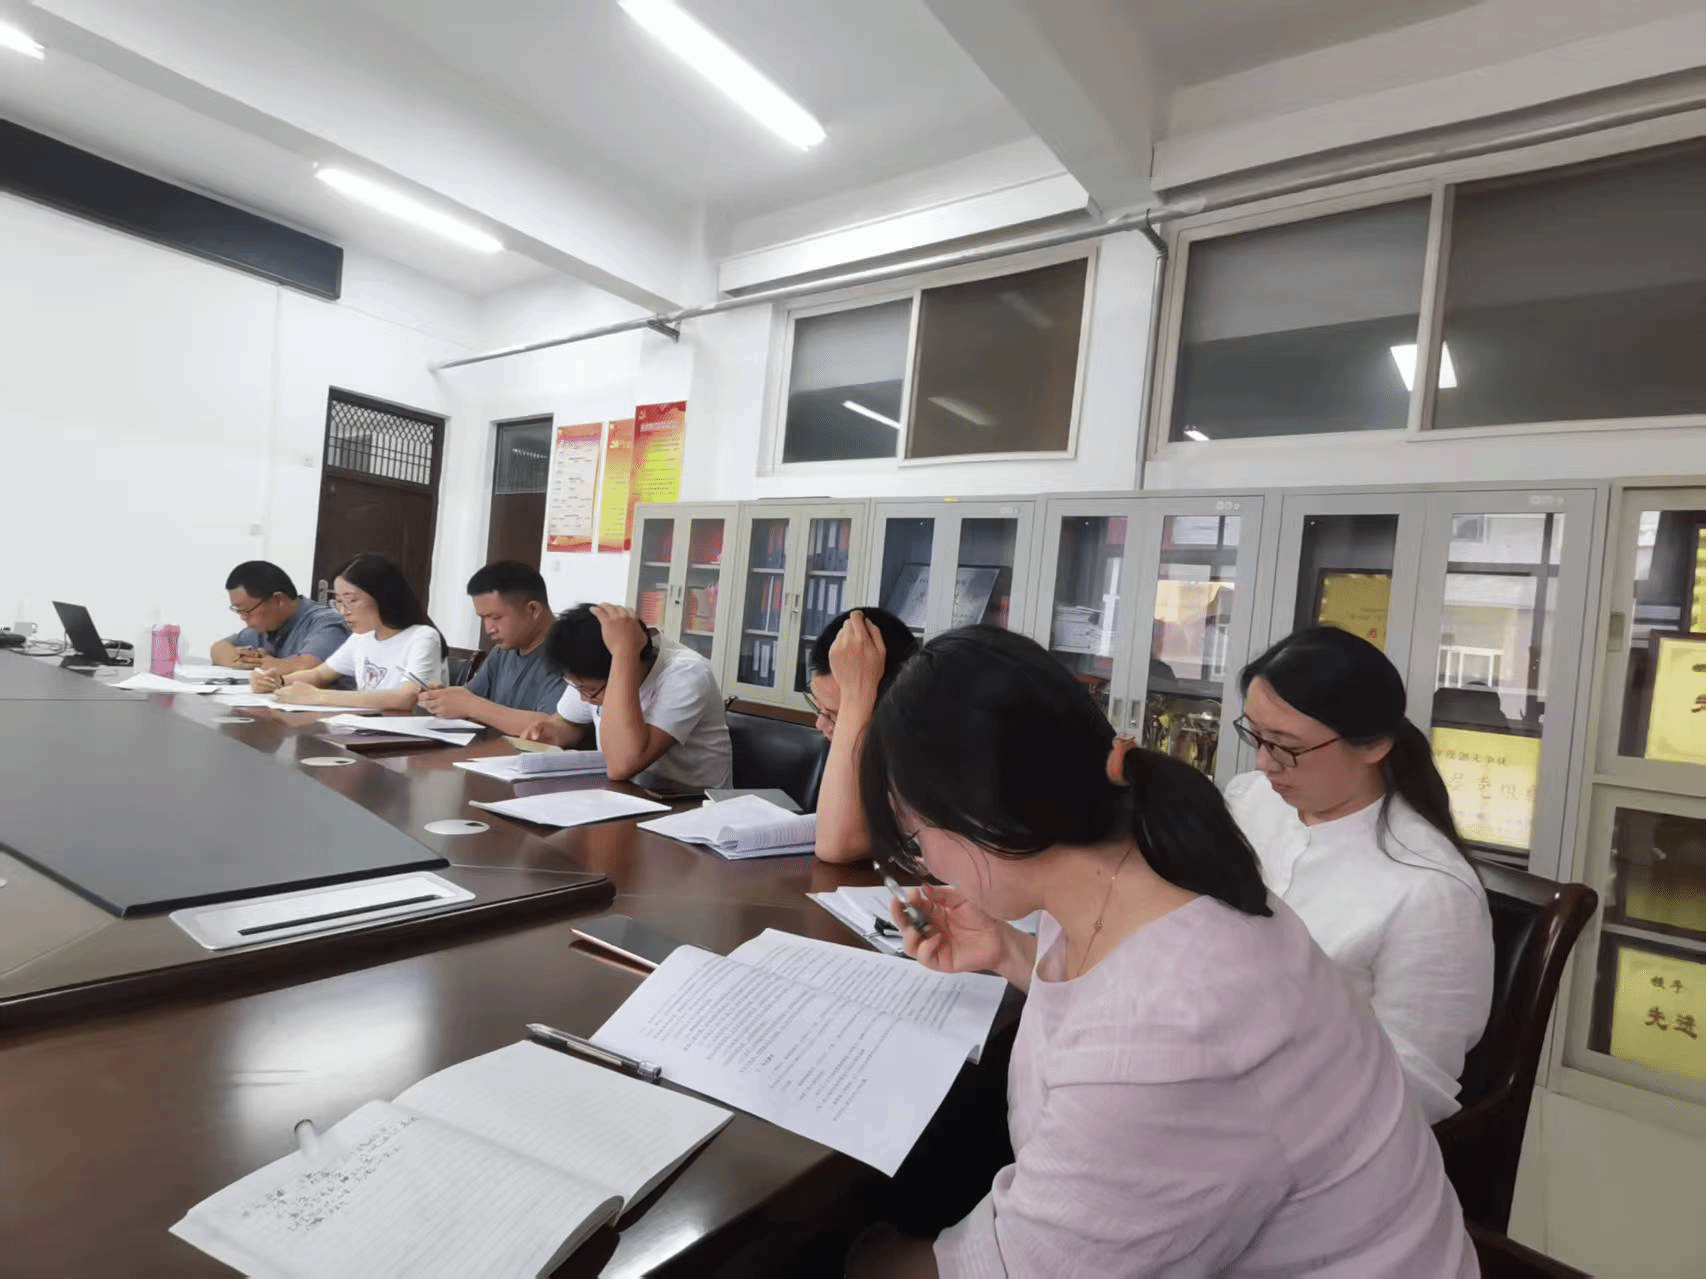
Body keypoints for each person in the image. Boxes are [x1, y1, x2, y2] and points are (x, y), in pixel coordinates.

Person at [846, 627, 1476, 1279]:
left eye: (915, 836)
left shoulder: (1172, 1019)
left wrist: (851, 1249)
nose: (1266, 766)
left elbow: (1024, 1266)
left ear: (979, 815)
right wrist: (1008, 948)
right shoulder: (1146, 868)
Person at [1228, 625, 1494, 1126]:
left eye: (1285, 746)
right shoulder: (1250, 801)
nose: (1264, 763)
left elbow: (1414, 1085)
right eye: (1256, 735)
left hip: (1312, 1121)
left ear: (1373, 746)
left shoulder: (1429, 891)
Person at [520, 603, 732, 791]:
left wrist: (624, 652)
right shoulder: (591, 673)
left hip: (691, 805)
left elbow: (621, 765)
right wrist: (553, 731)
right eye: (578, 689)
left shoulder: (687, 673)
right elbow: (569, 722)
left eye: (589, 691)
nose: (584, 699)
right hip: (629, 796)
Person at [256, 553, 446, 711]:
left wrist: (319, 696)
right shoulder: (362, 637)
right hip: (367, 729)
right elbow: (319, 675)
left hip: (407, 736)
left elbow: (405, 698)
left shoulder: (422, 637)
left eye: (352, 601)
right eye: (339, 602)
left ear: (383, 597)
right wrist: (277, 681)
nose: (343, 611)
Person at [804, 607, 919, 864]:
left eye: (834, 715)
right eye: (819, 709)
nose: (820, 724)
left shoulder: (916, 754)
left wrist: (857, 698)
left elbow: (837, 846)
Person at [417, 562, 563, 734]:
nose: (488, 629)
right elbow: (472, 696)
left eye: (496, 617)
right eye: (483, 618)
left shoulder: (570, 653)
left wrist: (470, 705)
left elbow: (551, 727)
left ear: (533, 610)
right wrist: (444, 698)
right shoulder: (503, 650)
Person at [209, 561, 347, 674]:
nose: (243, 617)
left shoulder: (326, 623)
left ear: (278, 599)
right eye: (238, 611)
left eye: (246, 610)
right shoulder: (265, 626)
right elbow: (218, 648)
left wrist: (262, 662)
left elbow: (308, 667)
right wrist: (240, 659)